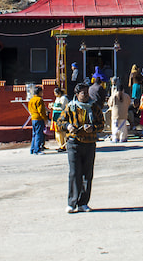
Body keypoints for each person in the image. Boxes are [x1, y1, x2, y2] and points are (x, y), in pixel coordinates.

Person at [57, 83, 105, 213]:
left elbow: (102, 124)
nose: (86, 95)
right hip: (74, 143)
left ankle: (83, 203)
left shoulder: (94, 107)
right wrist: (68, 126)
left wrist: (93, 128)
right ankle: (72, 203)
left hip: (89, 143)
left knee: (87, 174)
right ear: (77, 94)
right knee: (74, 173)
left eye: (87, 93)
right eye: (83, 93)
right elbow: (59, 122)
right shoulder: (70, 108)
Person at [108, 77, 132, 143]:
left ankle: (115, 138)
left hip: (115, 114)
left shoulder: (114, 96)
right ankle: (123, 138)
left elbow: (109, 103)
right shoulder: (126, 96)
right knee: (123, 127)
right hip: (123, 114)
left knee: (115, 126)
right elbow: (129, 102)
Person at [28, 86, 48, 154]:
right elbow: (41, 111)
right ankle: (37, 149)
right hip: (39, 118)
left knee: (34, 134)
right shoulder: (39, 100)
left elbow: (29, 109)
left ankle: (32, 149)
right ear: (39, 92)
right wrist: (45, 119)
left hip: (33, 118)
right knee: (39, 134)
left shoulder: (31, 99)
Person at [50, 87, 69, 152]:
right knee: (57, 132)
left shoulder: (63, 98)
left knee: (62, 132)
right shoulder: (57, 98)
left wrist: (53, 108)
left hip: (61, 117)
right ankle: (60, 145)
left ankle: (63, 145)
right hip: (55, 117)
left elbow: (62, 108)